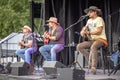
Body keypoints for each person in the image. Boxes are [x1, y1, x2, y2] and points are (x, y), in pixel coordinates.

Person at [76, 6, 108, 74]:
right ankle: (90, 62)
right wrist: (82, 31)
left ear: (95, 12)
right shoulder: (89, 20)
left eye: (90, 12)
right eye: (88, 12)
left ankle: (94, 67)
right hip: (91, 40)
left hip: (101, 39)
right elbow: (85, 27)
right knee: (79, 46)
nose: (88, 13)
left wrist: (89, 32)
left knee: (93, 46)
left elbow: (99, 31)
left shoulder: (99, 19)